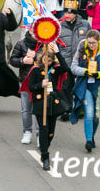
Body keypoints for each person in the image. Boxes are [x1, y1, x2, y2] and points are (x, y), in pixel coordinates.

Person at [69, 29, 100, 153]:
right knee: (89, 113)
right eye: (89, 42)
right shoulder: (81, 49)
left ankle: (92, 135)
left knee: (96, 116)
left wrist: (98, 74)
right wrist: (84, 72)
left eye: (93, 43)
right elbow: (73, 67)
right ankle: (88, 140)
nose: (91, 45)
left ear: (98, 41)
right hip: (85, 85)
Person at [28, 41, 69, 170]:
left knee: (50, 132)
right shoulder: (36, 70)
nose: (47, 62)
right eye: (45, 59)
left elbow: (65, 67)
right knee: (43, 129)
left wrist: (57, 52)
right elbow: (31, 87)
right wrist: (41, 85)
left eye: (50, 60)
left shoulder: (55, 70)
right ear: (42, 58)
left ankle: (45, 146)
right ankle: (45, 156)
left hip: (53, 104)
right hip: (41, 104)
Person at [57, 0, 90, 121]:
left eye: (70, 13)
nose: (67, 15)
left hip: (81, 62)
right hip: (65, 61)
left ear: (75, 14)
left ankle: (79, 109)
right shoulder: (58, 26)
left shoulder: (85, 25)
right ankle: (66, 109)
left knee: (80, 86)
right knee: (66, 86)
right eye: (66, 12)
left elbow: (91, 41)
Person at [10, 27, 40, 146]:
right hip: (25, 80)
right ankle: (27, 131)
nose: (34, 30)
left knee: (39, 109)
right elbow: (13, 60)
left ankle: (39, 134)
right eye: (32, 28)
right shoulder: (21, 43)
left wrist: (36, 58)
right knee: (26, 109)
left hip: (39, 82)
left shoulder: (45, 44)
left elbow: (51, 60)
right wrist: (23, 60)